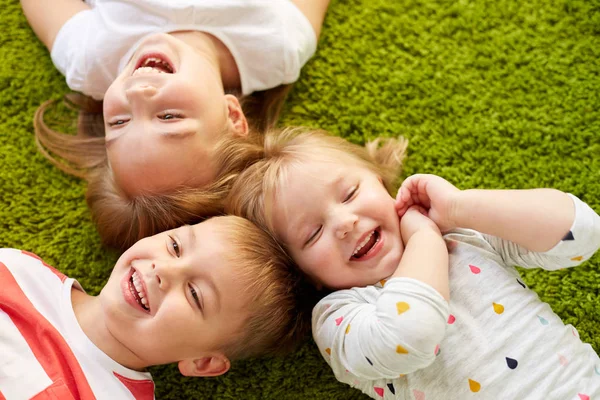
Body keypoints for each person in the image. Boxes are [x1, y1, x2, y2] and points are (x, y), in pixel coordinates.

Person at [225, 127, 600, 399]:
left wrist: (461, 206)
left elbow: (581, 234)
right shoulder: (340, 316)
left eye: (351, 193)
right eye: (312, 234)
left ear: (381, 181)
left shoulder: (462, 234)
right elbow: (411, 334)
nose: (344, 223)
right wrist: (423, 239)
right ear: (302, 274)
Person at [20, 0, 330, 250]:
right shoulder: (280, 46)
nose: (138, 93)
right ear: (233, 116)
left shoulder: (93, 59)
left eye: (119, 121)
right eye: (169, 117)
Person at [0, 216, 313, 399]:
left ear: (202, 362)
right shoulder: (20, 272)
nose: (164, 270)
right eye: (175, 247)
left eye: (194, 293)